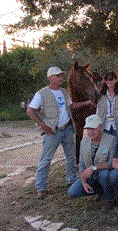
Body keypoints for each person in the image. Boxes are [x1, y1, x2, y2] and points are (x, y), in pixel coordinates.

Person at [27, 66, 94, 199]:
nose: (60, 78)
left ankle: (70, 180)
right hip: (52, 131)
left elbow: (71, 106)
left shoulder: (64, 92)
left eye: (61, 75)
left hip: (67, 129)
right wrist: (42, 125)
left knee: (71, 157)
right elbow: (30, 111)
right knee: (46, 160)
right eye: (57, 76)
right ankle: (41, 187)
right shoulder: (41, 94)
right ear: (50, 78)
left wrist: (86, 102)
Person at [67, 115, 116, 211]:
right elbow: (81, 165)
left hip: (104, 174)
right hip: (91, 177)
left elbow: (112, 163)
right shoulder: (83, 142)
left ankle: (109, 199)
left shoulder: (112, 140)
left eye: (93, 128)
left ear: (101, 128)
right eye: (88, 129)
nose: (90, 132)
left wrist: (94, 167)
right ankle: (100, 191)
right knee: (72, 192)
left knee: (105, 174)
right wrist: (83, 181)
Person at [96, 71, 118, 136]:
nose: (108, 81)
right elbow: (98, 111)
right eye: (106, 79)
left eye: (111, 79)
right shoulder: (101, 95)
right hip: (105, 127)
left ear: (116, 80)